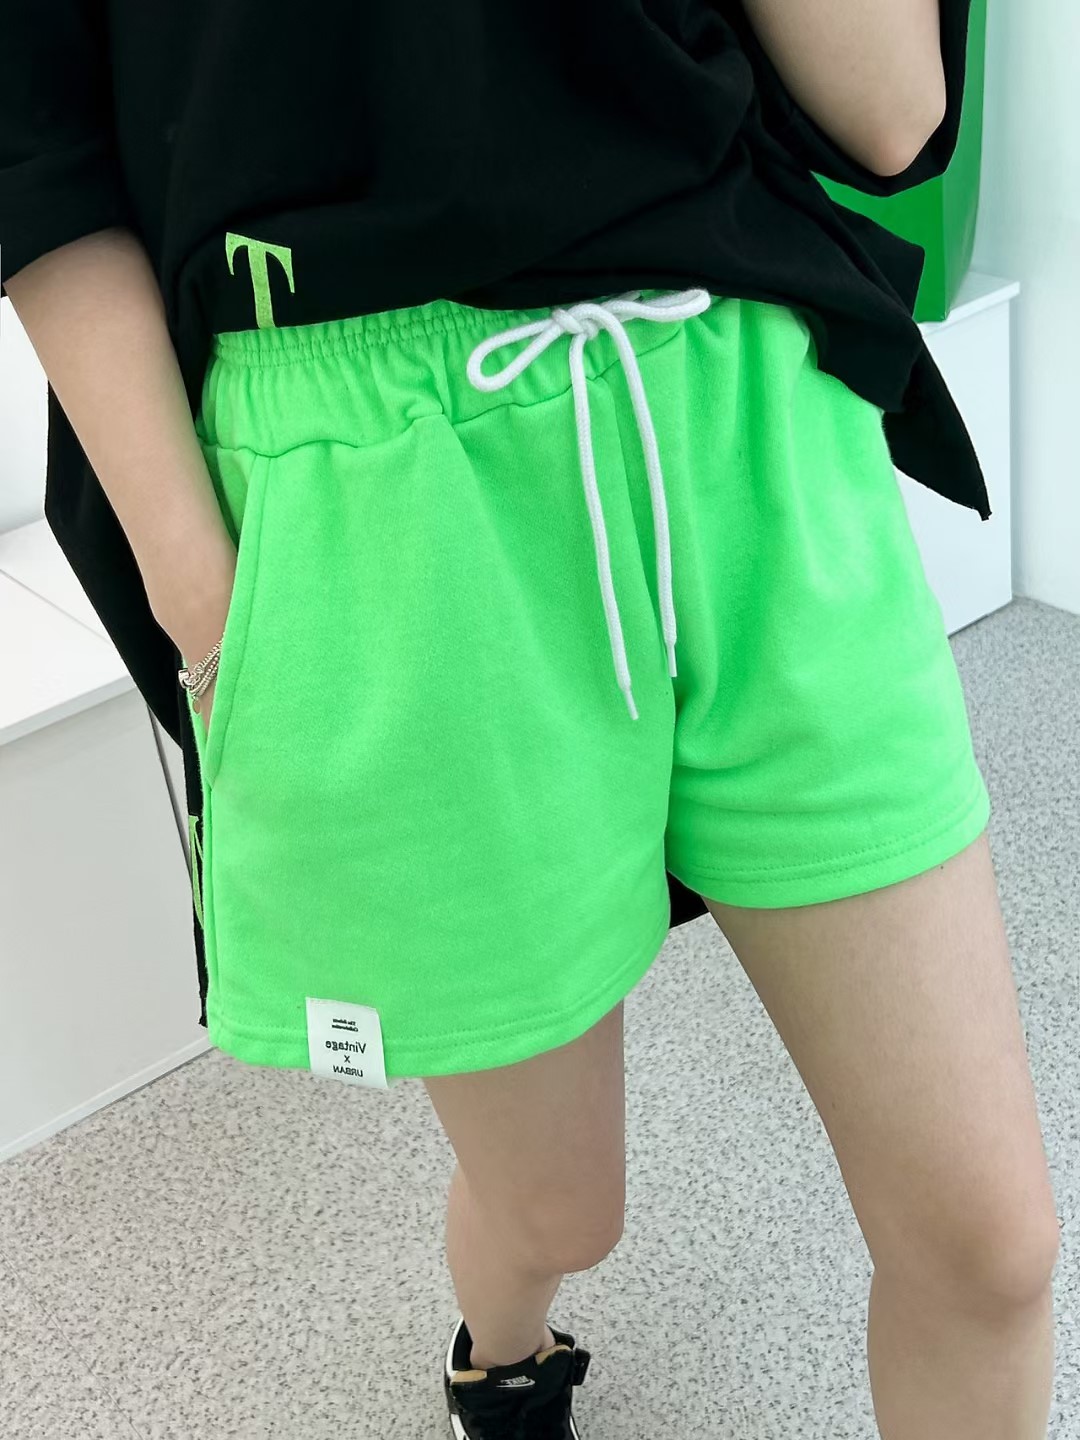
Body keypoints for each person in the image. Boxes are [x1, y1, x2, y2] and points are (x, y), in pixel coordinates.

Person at [0, 2, 1058, 1436]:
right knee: (562, 1203)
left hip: (743, 406)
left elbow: (889, 115)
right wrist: (207, 602)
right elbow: (35, 137)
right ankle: (501, 1352)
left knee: (991, 1250)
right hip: (387, 480)